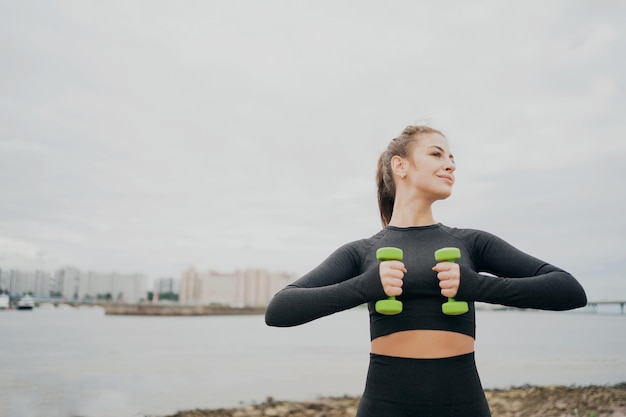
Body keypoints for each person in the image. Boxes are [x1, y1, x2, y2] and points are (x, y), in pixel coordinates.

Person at [264, 125, 587, 417]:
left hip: (463, 405)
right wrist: (364, 287)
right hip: (385, 406)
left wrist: (478, 286)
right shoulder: (362, 251)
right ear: (400, 165)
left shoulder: (471, 243)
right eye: (436, 154)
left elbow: (568, 290)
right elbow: (280, 309)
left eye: (452, 158)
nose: (450, 165)